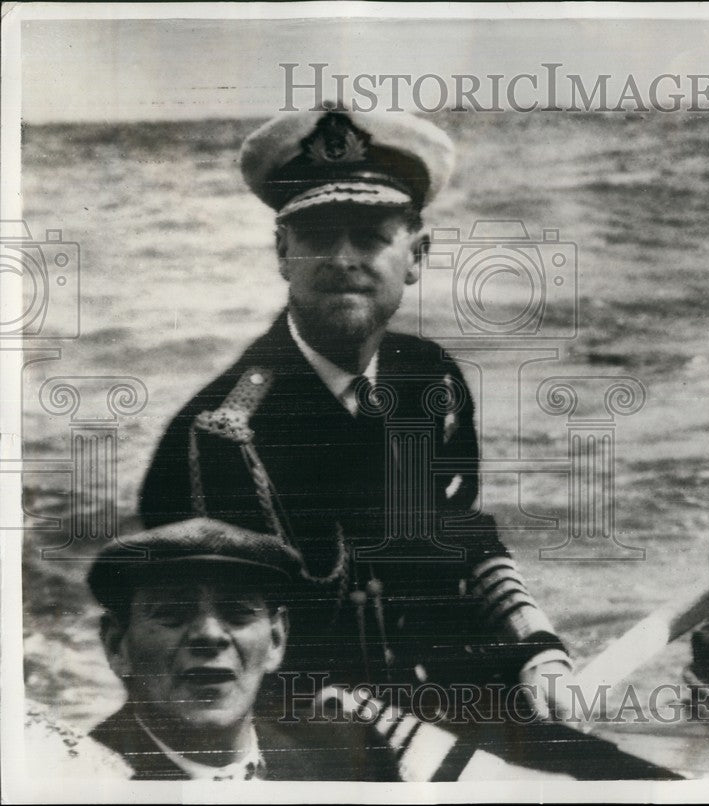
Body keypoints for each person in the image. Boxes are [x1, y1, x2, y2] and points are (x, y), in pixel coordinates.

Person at [138, 104, 572, 719]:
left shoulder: (430, 379)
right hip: (303, 742)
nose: (342, 259)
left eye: (370, 236)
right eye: (317, 237)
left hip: (450, 698)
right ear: (283, 253)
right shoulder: (215, 438)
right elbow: (202, 669)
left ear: (417, 256)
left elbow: (453, 527)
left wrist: (533, 642)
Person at [86, 517, 399, 781]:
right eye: (172, 614)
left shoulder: (350, 753)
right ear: (117, 646)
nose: (210, 635)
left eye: (237, 613)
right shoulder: (77, 777)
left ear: (276, 640)